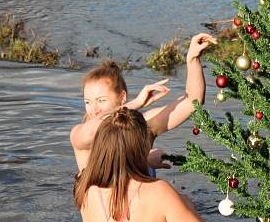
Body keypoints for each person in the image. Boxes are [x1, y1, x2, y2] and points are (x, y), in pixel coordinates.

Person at [73, 108, 216, 222]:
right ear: (142, 148)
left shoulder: (84, 187)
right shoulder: (159, 192)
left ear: (100, 145)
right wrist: (187, 205)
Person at [70, 33, 217, 176]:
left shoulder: (144, 125)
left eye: (101, 100)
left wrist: (192, 59)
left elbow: (193, 102)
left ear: (122, 98)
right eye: (87, 102)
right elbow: (97, 128)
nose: (93, 109)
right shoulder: (79, 135)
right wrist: (137, 103)